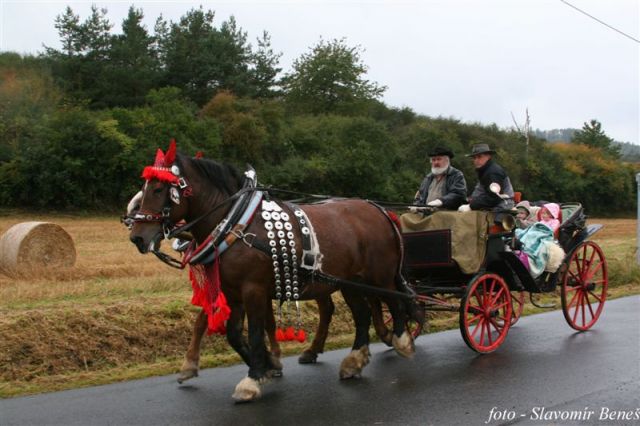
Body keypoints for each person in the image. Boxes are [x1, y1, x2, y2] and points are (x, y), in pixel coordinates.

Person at [459, 143, 514, 211]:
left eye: (479, 157)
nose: (476, 160)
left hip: (501, 207)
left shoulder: (493, 172)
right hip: (494, 205)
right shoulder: (485, 170)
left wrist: (471, 206)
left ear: (488, 156)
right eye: (474, 158)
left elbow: (494, 197)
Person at [412, 146, 467, 210]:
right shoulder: (428, 178)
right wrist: (416, 206)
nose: (436, 162)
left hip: (447, 214)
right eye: (433, 160)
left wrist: (441, 201)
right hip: (426, 213)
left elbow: (458, 194)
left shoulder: (456, 175)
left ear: (447, 161)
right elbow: (420, 196)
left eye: (439, 159)